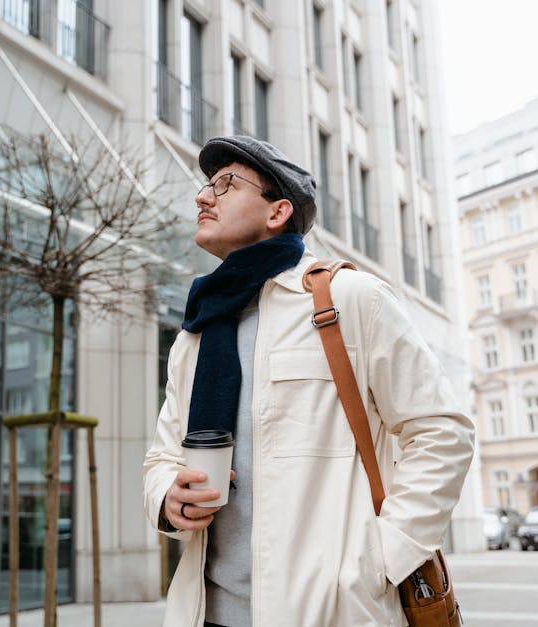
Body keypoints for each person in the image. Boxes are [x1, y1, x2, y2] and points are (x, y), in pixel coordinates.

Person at [143, 135, 474, 627]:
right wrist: (169, 498)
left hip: (329, 612)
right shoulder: (197, 333)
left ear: (278, 212)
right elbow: (163, 456)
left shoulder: (349, 298)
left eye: (225, 184)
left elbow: (442, 432)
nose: (202, 196)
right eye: (206, 185)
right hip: (206, 613)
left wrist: (381, 559)